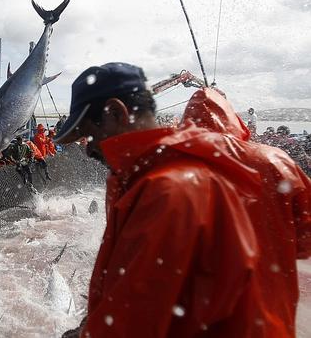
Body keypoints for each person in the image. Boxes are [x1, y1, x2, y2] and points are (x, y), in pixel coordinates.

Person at [54, 62, 311, 337]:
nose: (87, 147)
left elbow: (133, 321)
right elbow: (303, 244)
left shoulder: (167, 188)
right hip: (273, 319)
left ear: (116, 112)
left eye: (87, 133)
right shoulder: (268, 162)